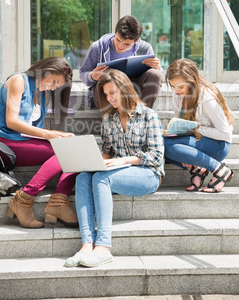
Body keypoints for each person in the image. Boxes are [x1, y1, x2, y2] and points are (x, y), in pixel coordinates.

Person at [64, 69, 164, 268]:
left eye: (112, 93)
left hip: (148, 174)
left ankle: (103, 247)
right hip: (119, 171)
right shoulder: (109, 119)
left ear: (125, 90)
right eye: (106, 95)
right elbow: (108, 151)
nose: (109, 98)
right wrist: (92, 162)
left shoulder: (148, 116)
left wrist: (123, 161)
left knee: (102, 179)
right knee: (84, 178)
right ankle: (87, 244)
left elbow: (156, 156)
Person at [0, 57, 78, 228]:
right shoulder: (19, 81)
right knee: (65, 151)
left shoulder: (41, 93)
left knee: (72, 147)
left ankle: (59, 202)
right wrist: (48, 134)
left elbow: (31, 130)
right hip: (5, 141)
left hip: (22, 141)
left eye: (58, 85)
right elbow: (11, 121)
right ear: (46, 70)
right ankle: (24, 199)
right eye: (55, 81)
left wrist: (58, 135)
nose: (54, 87)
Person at [164, 58, 234, 193]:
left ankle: (220, 170)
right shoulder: (178, 94)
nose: (177, 91)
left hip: (218, 145)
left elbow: (225, 134)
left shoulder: (206, 97)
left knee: (168, 145)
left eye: (181, 86)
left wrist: (195, 129)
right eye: (173, 87)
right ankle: (197, 169)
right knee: (159, 145)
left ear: (192, 81)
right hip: (196, 141)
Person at [79, 15, 163, 109]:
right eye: (118, 40)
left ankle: (142, 115)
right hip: (105, 96)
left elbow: (157, 77)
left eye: (127, 44)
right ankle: (110, 119)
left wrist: (158, 69)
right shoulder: (98, 47)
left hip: (132, 93)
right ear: (115, 30)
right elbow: (83, 73)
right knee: (107, 73)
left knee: (155, 74)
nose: (120, 46)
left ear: (137, 40)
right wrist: (92, 76)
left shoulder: (145, 49)